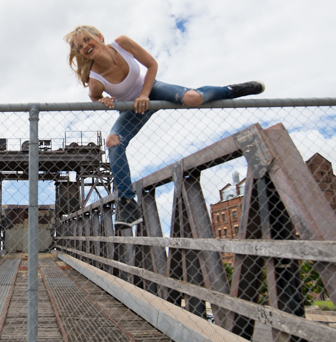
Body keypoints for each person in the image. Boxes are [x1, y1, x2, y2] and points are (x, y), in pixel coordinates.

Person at [64, 25, 264, 229]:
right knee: (113, 142)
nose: (86, 47)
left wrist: (144, 94)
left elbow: (151, 65)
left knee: (193, 97)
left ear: (99, 37)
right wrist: (103, 101)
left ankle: (231, 90)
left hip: (152, 90)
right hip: (133, 110)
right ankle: (126, 203)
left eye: (87, 40)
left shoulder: (122, 44)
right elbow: (95, 97)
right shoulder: (95, 79)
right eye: (80, 47)